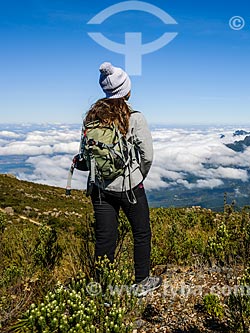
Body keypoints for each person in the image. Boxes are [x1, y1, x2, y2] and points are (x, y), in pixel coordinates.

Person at [81, 62, 161, 297]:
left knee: (105, 238)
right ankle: (141, 282)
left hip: (99, 187)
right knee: (141, 233)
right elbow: (147, 155)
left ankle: (102, 291)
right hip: (129, 187)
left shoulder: (91, 118)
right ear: (125, 90)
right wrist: (138, 176)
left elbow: (85, 155)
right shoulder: (134, 117)